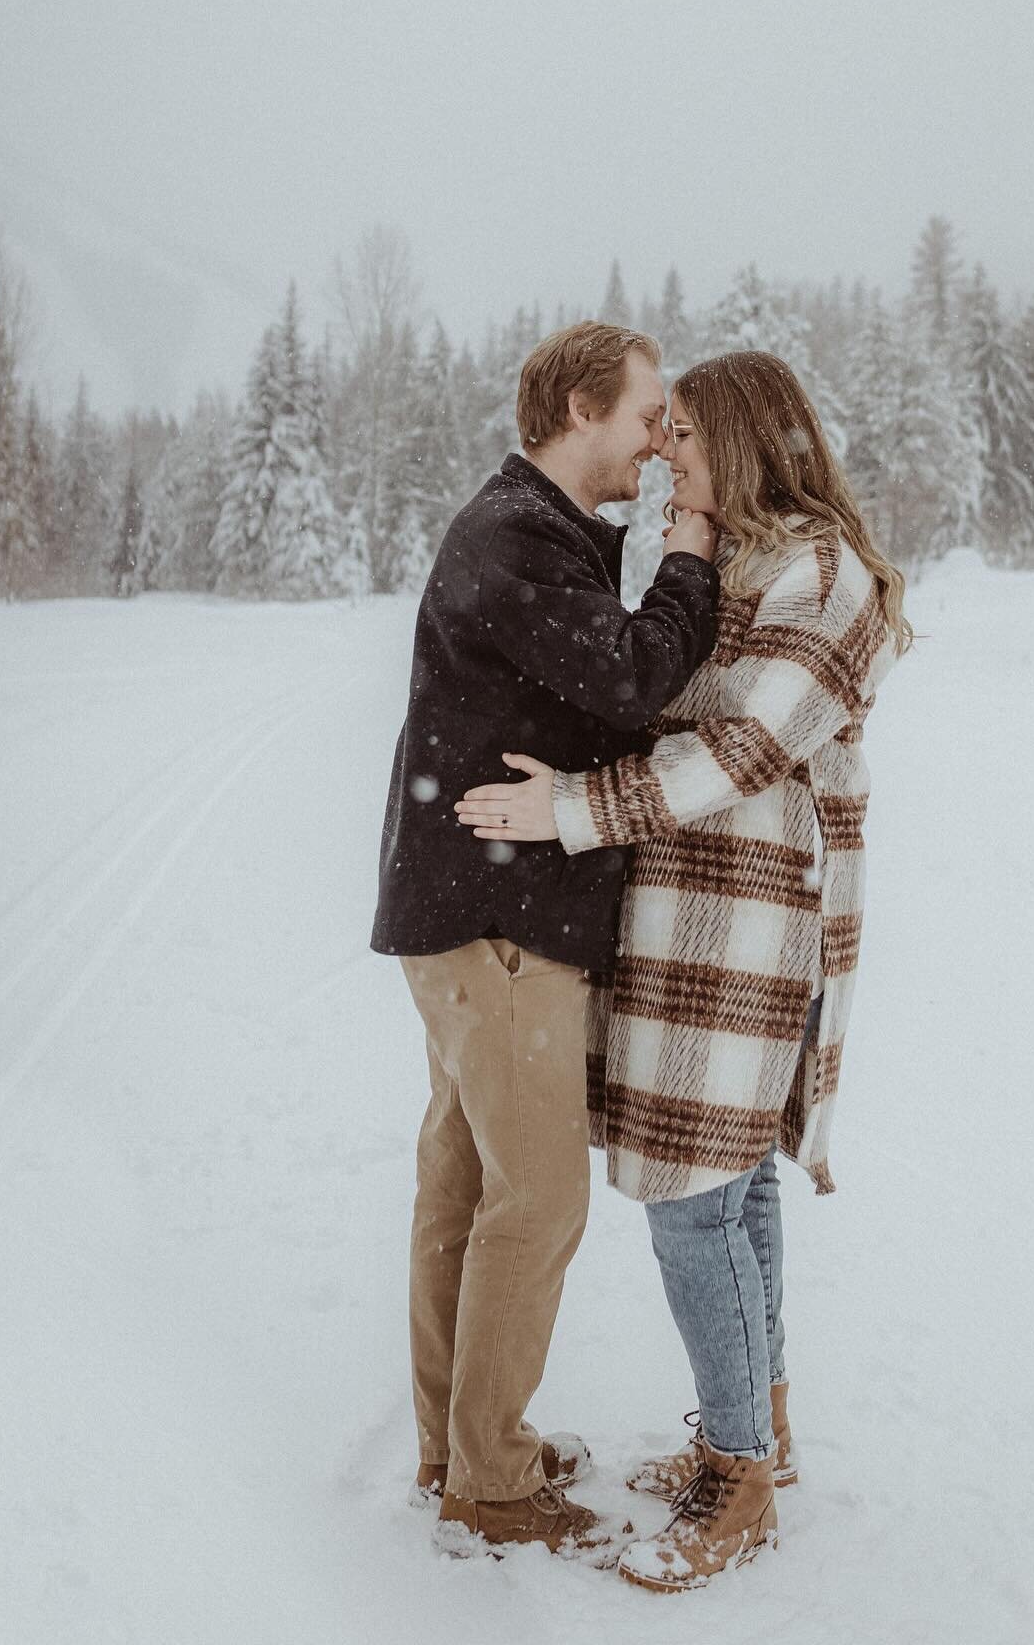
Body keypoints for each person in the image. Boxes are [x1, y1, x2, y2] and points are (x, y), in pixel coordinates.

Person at [455, 349, 909, 1590]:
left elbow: (747, 749)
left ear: (751, 440)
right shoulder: (728, 557)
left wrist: (575, 812)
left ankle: (737, 1477)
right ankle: (754, 1431)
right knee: (730, 1183)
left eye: (689, 435)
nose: (669, 455)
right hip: (678, 919)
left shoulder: (828, 573)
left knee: (687, 1207)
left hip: (753, 929)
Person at [370, 321, 720, 1562]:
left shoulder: (533, 530)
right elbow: (632, 678)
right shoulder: (517, 534)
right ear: (580, 407)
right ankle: (494, 1484)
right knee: (539, 1201)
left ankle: (461, 1450)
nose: (659, 441)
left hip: (472, 919)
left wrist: (643, 537)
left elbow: (596, 668)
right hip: (499, 923)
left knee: (464, 1190)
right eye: (646, 416)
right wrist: (691, 548)